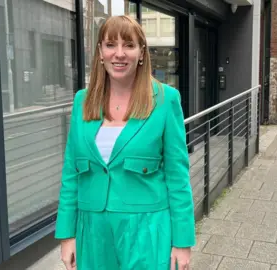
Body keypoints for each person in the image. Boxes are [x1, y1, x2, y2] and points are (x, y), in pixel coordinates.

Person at [54, 15, 196, 270]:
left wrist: (183, 242)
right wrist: (67, 235)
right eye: (111, 45)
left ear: (141, 53)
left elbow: (178, 176)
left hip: (147, 230)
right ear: (100, 52)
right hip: (93, 230)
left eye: (129, 45)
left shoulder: (165, 100)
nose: (119, 54)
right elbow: (71, 174)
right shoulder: (82, 101)